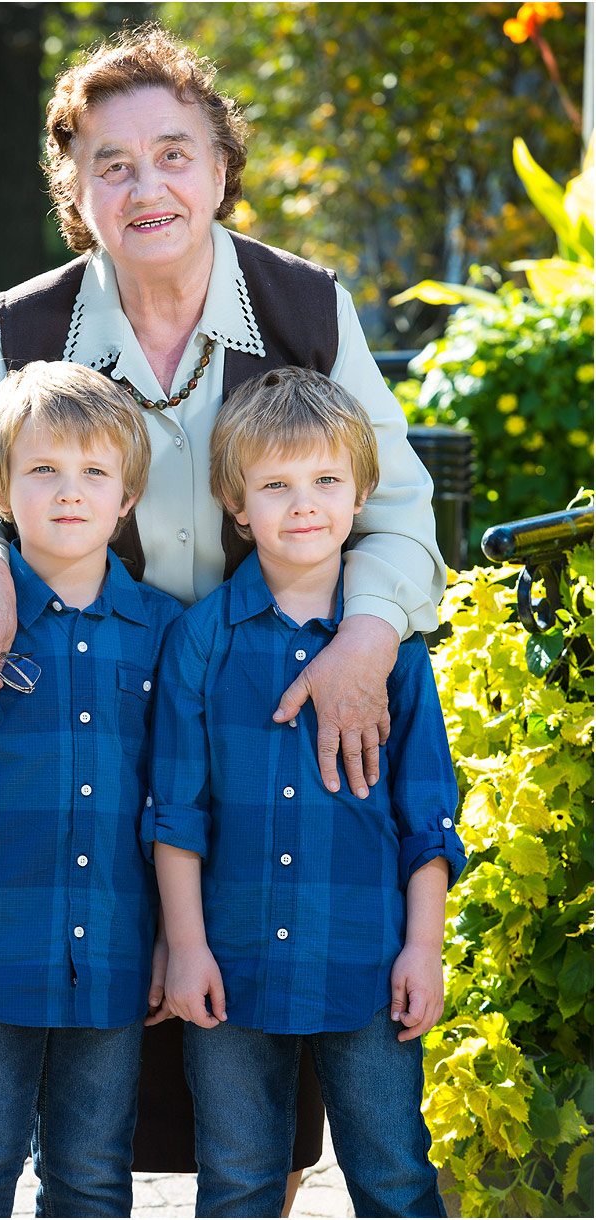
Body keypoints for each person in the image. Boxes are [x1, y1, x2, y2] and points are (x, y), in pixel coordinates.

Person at [0, 23, 445, 1196]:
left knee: (272, 1050)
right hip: (94, 712)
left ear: (220, 165)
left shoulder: (305, 306)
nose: (148, 186)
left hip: (274, 719)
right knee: (99, 1063)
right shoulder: (25, 326)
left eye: (175, 154)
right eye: (111, 162)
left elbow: (399, 509)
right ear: (74, 188)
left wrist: (367, 632)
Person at [150, 367, 466, 1219]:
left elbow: (427, 817)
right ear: (236, 505)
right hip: (234, 961)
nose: (304, 505)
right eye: (276, 485)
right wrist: (186, 949)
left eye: (326, 481)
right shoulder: (198, 641)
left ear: (361, 493)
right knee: (239, 1181)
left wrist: (422, 949)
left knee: (395, 1175)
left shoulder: (391, 649)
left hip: (365, 960)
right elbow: (176, 812)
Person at [0, 362, 182, 1218]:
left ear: (126, 497)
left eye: (95, 472)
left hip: (117, 963)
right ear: (1, 490)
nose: (69, 493)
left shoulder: (162, 634)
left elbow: (172, 809)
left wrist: (168, 942)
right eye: (42, 470)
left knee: (92, 1175)